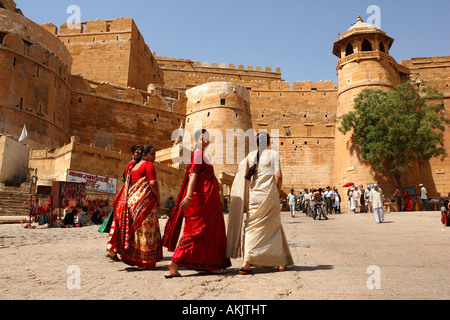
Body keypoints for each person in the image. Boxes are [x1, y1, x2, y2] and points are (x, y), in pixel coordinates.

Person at [163, 129, 231, 278]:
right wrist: (188, 196)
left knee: (207, 231)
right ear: (196, 141)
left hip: (208, 200)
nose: (206, 141)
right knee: (198, 231)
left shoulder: (203, 155)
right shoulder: (198, 154)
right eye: (202, 139)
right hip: (201, 201)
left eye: (207, 139)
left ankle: (208, 263)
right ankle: (175, 261)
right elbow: (192, 175)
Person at [227, 132, 294, 274]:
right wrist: (277, 191)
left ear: (256, 143)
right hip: (269, 195)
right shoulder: (273, 154)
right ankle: (280, 263)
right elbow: (279, 175)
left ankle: (247, 262)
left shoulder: (249, 157)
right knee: (273, 227)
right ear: (269, 143)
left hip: (254, 196)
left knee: (251, 227)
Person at [106, 146, 163, 269]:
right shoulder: (148, 165)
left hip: (132, 201)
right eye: (152, 154)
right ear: (144, 155)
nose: (154, 157)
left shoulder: (132, 167)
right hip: (145, 203)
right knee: (146, 231)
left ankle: (133, 257)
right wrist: (158, 199)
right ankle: (144, 261)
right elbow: (152, 183)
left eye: (155, 154)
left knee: (136, 231)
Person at [99, 144, 142, 234]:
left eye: (140, 152)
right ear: (132, 154)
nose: (139, 154)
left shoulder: (139, 164)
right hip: (128, 187)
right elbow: (128, 177)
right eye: (137, 152)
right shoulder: (132, 163)